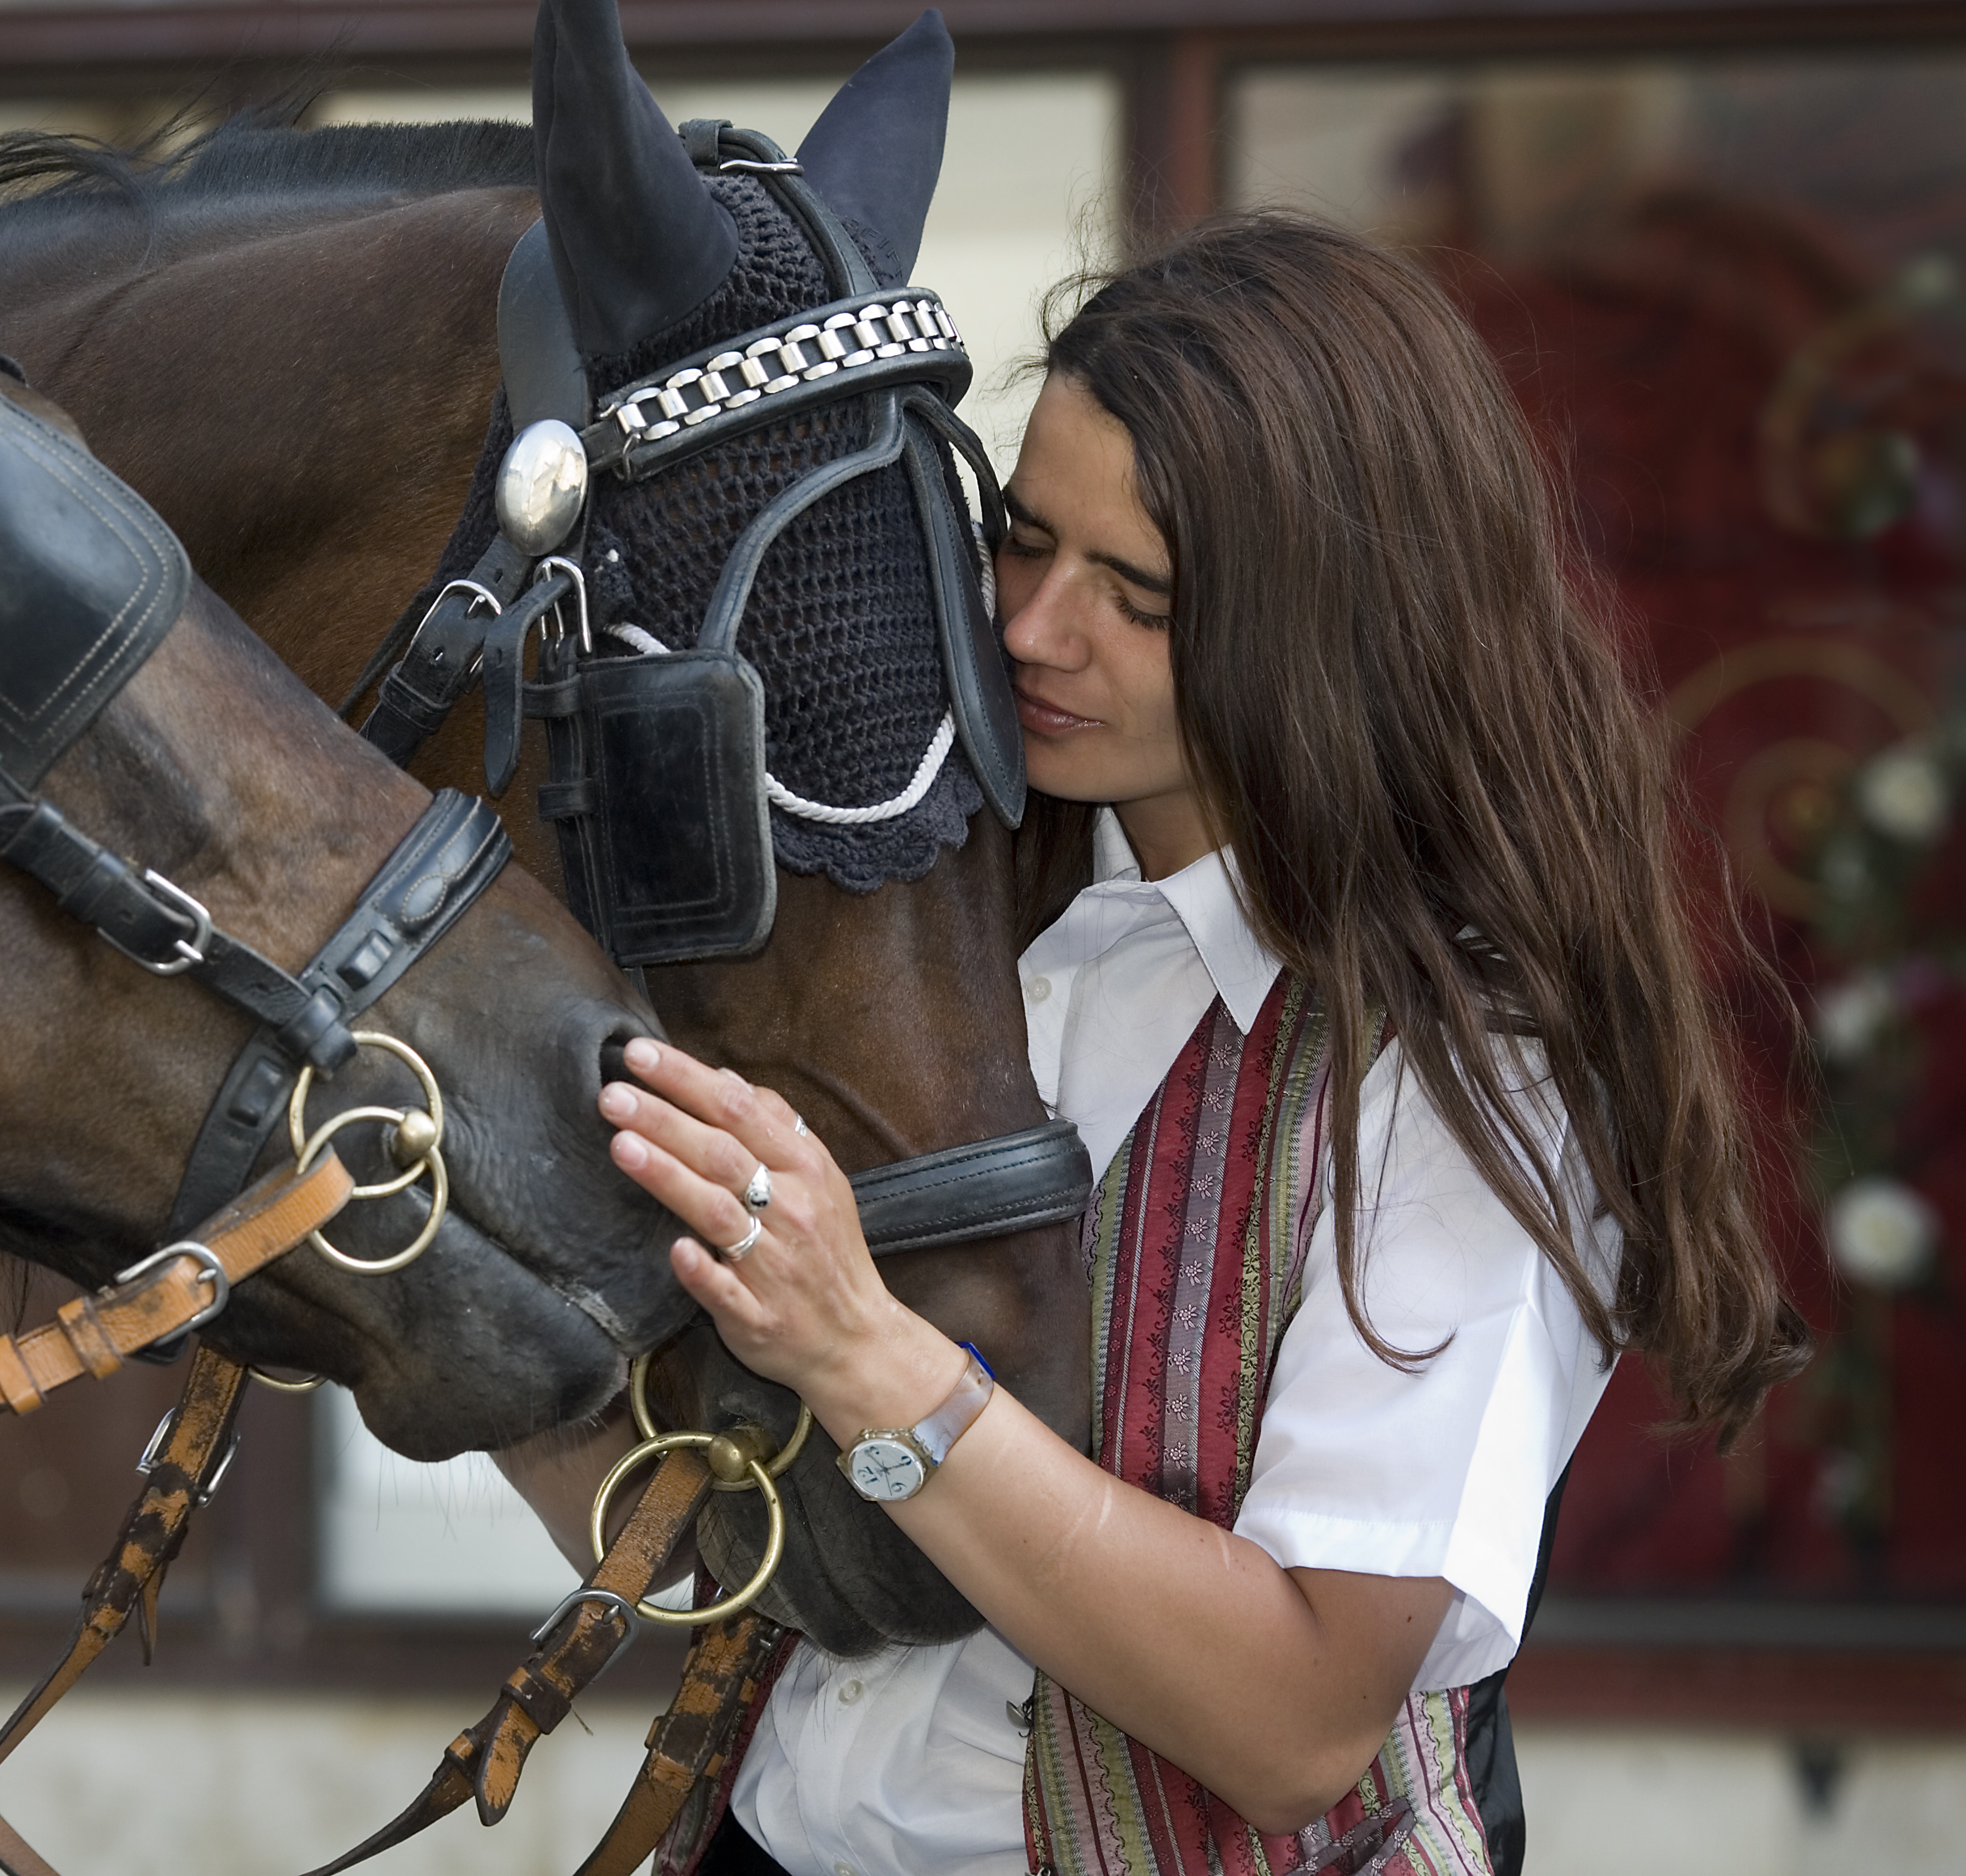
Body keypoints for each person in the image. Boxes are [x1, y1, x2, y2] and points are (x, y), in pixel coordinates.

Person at [509, 212, 1809, 1876]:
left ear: (1338, 622)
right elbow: (708, 1548)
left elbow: (1295, 1725)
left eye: (1135, 594)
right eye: (1021, 541)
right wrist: (449, 1299)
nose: (1037, 630)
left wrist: (859, 1352)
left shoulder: (1463, 1067)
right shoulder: (932, 911)